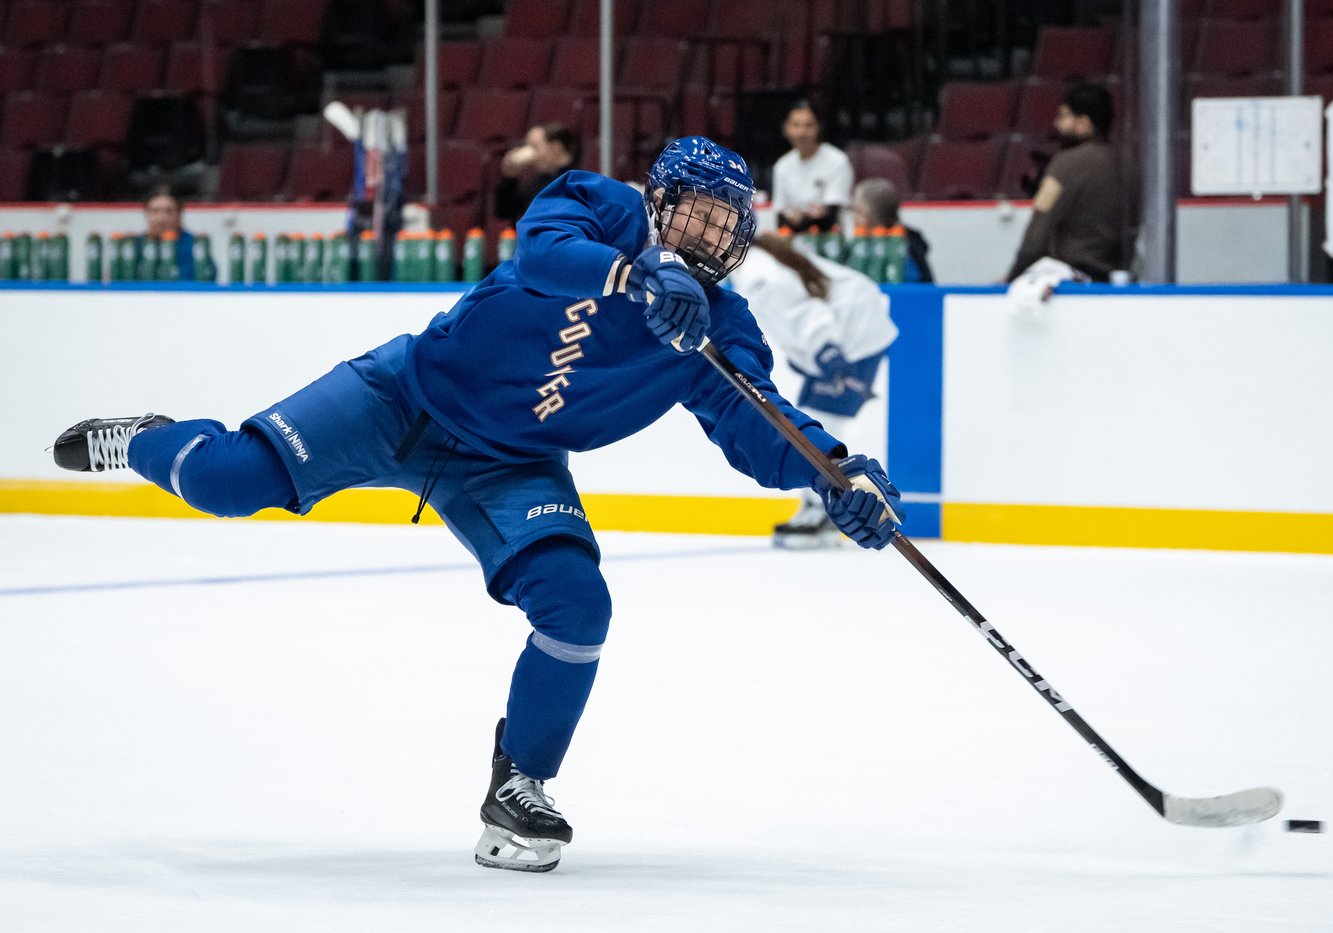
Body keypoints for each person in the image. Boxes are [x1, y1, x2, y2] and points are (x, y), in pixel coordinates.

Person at [51, 137, 905, 874]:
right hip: (402, 398)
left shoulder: (716, 326)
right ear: (657, 202)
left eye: (729, 225)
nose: (713, 237)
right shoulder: (596, 207)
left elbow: (757, 420)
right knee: (224, 481)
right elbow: (542, 254)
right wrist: (630, 275)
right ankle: (149, 438)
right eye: (697, 216)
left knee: (578, 605)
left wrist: (835, 473)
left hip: (512, 462)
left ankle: (519, 784)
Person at [726, 233, 899, 548]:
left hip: (851, 336)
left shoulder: (758, 273)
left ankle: (823, 509)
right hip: (854, 327)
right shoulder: (754, 264)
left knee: (817, 423)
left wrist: (827, 353)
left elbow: (804, 312)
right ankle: (820, 506)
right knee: (809, 417)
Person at [1006, 82, 1126, 283]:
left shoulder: (1066, 163)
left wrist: (1012, 278)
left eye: (1063, 116)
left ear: (1083, 123)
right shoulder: (1128, 163)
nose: (1057, 124)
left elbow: (1038, 231)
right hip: (1117, 277)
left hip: (1072, 282)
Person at [771, 102, 853, 234]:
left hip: (831, 242)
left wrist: (799, 218)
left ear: (818, 127)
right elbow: (781, 217)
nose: (801, 133)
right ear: (786, 128)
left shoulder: (838, 161)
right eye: (796, 125)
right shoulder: (782, 166)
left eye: (808, 125)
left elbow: (830, 216)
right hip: (793, 244)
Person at [491, 122, 582, 225]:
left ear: (556, 148)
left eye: (535, 147)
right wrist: (509, 180)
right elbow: (504, 212)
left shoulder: (577, 181)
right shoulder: (539, 182)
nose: (532, 156)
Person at [851, 178, 934, 283]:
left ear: (871, 215)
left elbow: (915, 289)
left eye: (857, 211)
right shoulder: (858, 245)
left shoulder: (905, 248)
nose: (853, 218)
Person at [141, 186, 198, 280]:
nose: (161, 218)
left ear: (179, 214)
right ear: (146, 213)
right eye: (155, 211)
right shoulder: (134, 246)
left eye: (169, 211)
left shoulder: (195, 246)